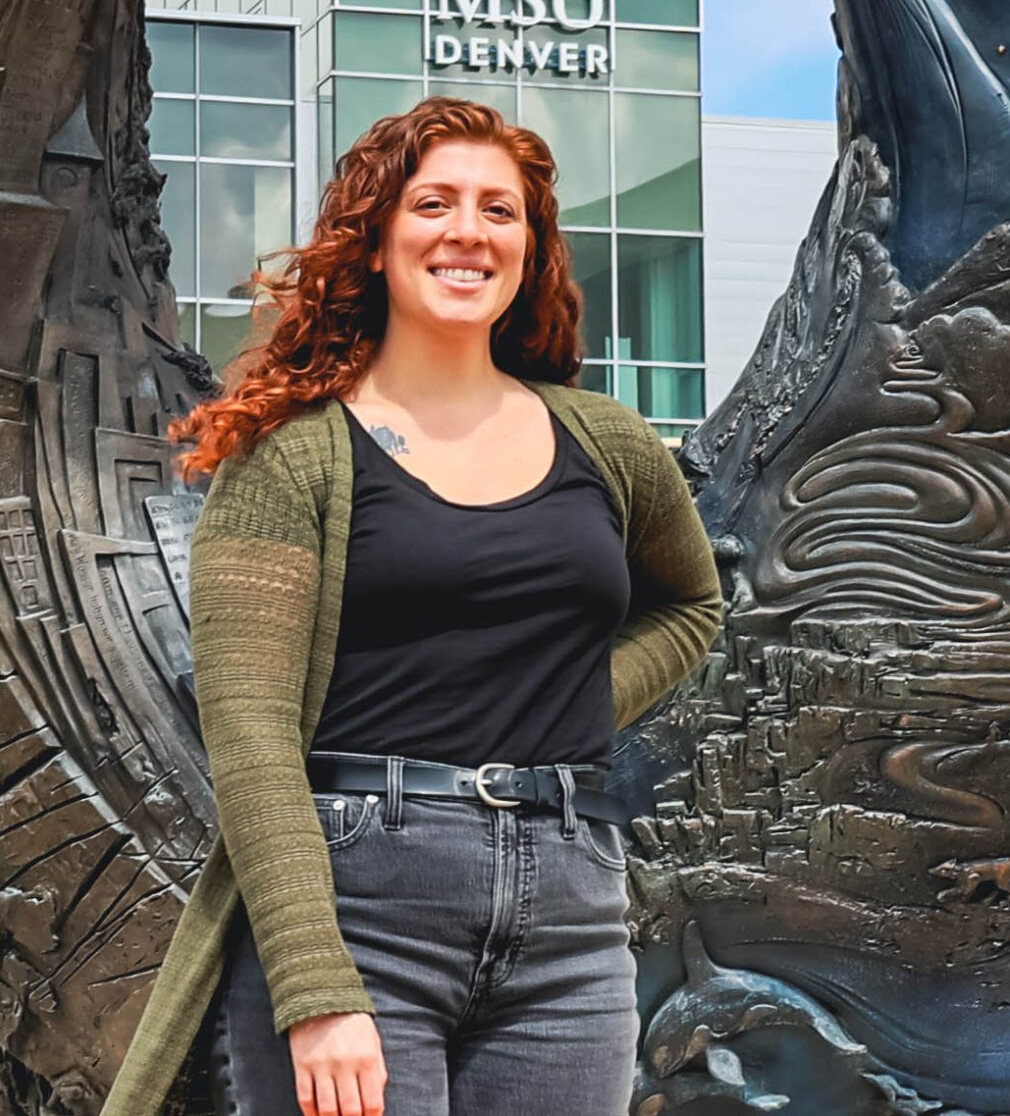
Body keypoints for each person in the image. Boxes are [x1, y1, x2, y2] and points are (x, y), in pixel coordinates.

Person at [99, 96, 725, 1116]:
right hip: (362, 907)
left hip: (572, 918)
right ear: (378, 239)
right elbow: (250, 736)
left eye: (500, 209)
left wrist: (559, 708)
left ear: (530, 248)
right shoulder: (291, 457)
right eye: (433, 202)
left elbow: (691, 608)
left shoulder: (605, 441)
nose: (468, 230)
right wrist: (312, 984)